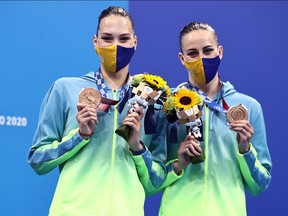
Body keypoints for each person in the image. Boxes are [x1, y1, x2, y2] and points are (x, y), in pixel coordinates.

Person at [27, 6, 166, 216]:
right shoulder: (65, 89)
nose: (116, 46)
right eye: (107, 38)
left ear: (135, 43)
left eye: (124, 39)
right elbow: (38, 160)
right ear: (95, 42)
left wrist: (137, 147)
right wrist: (79, 136)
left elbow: (155, 181)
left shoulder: (152, 100)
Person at [157, 22, 272, 216]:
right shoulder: (167, 106)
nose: (201, 58)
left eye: (208, 50)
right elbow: (152, 181)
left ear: (220, 52)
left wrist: (245, 150)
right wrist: (178, 165)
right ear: (182, 59)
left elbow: (260, 185)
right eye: (193, 53)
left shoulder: (249, 107)